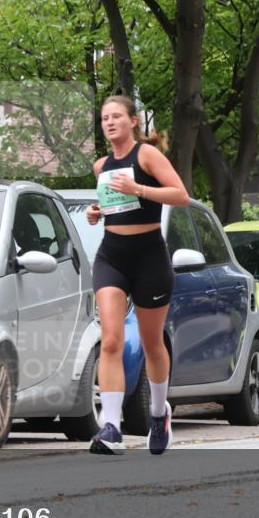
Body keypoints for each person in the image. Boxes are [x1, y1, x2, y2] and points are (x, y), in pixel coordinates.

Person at [87, 95, 189, 455]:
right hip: (112, 255)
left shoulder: (146, 155)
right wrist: (98, 212)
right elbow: (118, 208)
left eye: (116, 117)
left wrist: (139, 189)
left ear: (133, 121)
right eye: (104, 119)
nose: (110, 123)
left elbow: (180, 195)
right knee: (111, 339)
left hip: (149, 257)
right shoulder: (101, 166)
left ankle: (159, 413)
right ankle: (111, 426)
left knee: (150, 344)